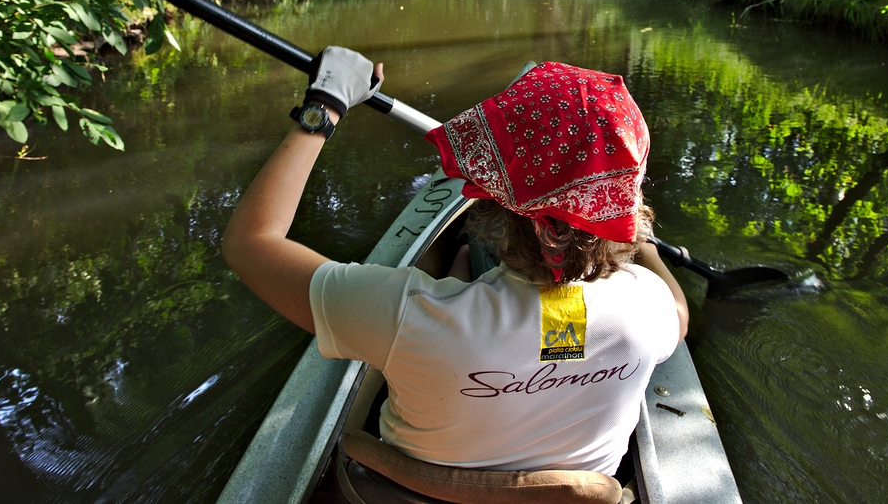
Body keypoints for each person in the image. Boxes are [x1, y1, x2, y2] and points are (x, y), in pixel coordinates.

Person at [222, 47, 688, 478]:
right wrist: (638, 239)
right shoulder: (649, 308)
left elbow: (249, 244)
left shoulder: (405, 313)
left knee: (474, 254)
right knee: (493, 272)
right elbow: (679, 315)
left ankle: (466, 262)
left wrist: (325, 105)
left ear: (495, 203)